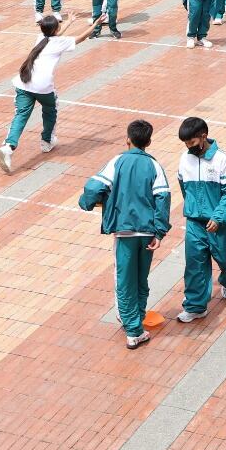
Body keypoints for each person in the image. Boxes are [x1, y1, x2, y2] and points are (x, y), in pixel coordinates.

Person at [79, 119, 172, 350]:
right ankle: (136, 318)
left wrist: (86, 203)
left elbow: (93, 188)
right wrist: (160, 233)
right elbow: (163, 199)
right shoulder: (155, 166)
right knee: (141, 279)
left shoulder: (117, 161)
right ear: (149, 142)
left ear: (127, 139)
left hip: (125, 232)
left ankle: (133, 330)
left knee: (125, 281)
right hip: (148, 233)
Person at [0, 12, 104, 174]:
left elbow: (54, 35)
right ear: (55, 29)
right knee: (50, 110)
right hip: (43, 86)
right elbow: (81, 38)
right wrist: (96, 24)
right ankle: (46, 141)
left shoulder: (41, 38)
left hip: (23, 82)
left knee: (21, 116)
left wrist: (69, 22)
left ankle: (8, 146)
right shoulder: (58, 42)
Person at [174, 117, 226, 323]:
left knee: (224, 259)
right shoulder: (185, 159)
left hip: (219, 224)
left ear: (203, 136)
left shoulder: (222, 160)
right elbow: (184, 187)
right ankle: (195, 306)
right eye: (186, 143)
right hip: (195, 223)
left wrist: (218, 217)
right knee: (194, 263)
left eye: (192, 142)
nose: (189, 147)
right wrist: (193, 209)